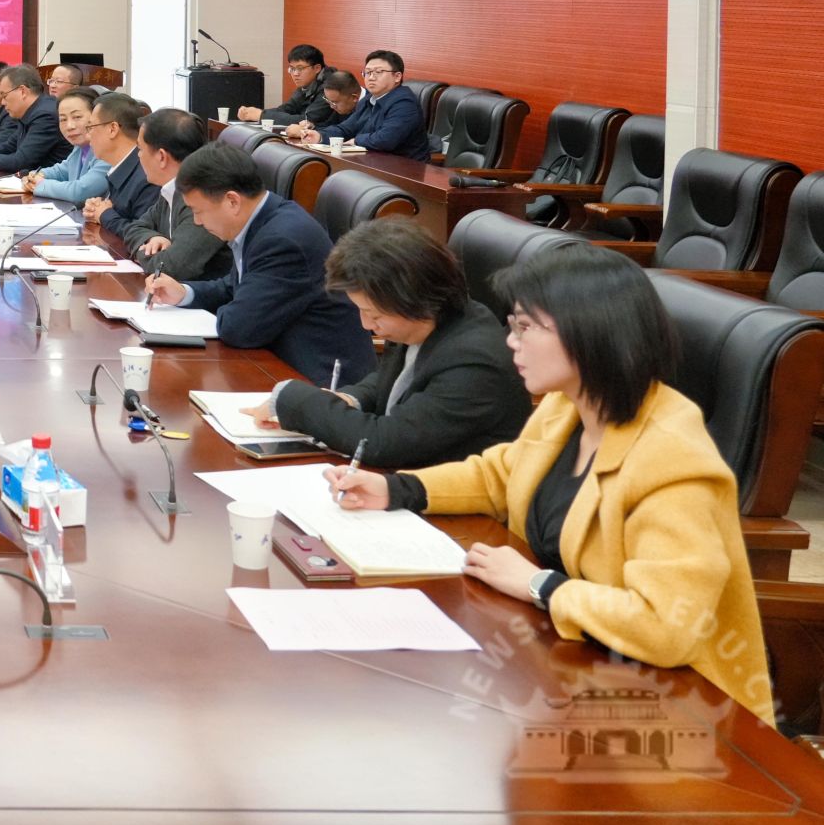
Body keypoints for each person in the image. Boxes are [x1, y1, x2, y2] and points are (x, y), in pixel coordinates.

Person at [326, 246, 775, 726]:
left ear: (589, 333)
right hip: (570, 663)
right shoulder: (569, 404)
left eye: (525, 327)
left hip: (678, 711)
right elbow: (501, 475)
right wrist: (396, 489)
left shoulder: (671, 459)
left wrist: (539, 585)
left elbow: (666, 626)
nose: (511, 342)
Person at [244, 218, 530, 466]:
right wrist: (349, 399)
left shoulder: (474, 363)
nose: (366, 325)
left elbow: (385, 443)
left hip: (455, 504)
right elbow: (390, 382)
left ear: (413, 299)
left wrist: (296, 400)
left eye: (374, 314)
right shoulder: (426, 319)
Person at [142, 143, 377, 381]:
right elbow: (236, 287)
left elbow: (239, 328)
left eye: (198, 211)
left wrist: (233, 310)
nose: (197, 221)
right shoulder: (263, 220)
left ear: (232, 201)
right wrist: (184, 293)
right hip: (277, 365)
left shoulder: (283, 240)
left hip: (319, 382)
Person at [119, 108, 231, 283]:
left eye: (140, 149)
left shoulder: (202, 198)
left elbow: (170, 268)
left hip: (204, 298)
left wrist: (144, 253)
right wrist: (152, 238)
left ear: (162, 157)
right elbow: (134, 228)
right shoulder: (171, 189)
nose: (138, 156)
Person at [290, 50, 429, 161]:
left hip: (405, 170)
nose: (371, 77)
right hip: (374, 162)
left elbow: (386, 139)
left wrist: (356, 140)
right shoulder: (368, 100)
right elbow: (345, 129)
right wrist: (320, 136)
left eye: (378, 72)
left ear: (397, 77)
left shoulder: (404, 103)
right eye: (367, 72)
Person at [79, 92, 161, 233]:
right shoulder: (123, 166)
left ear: (113, 129)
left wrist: (105, 215)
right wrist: (97, 210)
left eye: (91, 127)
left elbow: (143, 235)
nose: (88, 135)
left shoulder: (147, 175)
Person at [0, 64, 68, 176]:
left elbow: (21, 161)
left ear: (22, 91)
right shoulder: (30, 110)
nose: (3, 102)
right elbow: (9, 146)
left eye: (4, 96)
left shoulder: (45, 115)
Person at [23, 90, 110, 203]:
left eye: (77, 117)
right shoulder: (80, 147)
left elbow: (80, 192)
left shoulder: (108, 150)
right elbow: (62, 171)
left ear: (96, 117)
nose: (69, 126)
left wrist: (40, 184)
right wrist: (36, 175)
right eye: (63, 119)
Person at [238, 44, 334, 127]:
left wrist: (261, 116)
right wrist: (255, 113)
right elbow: (287, 108)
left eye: (300, 68)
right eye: (292, 68)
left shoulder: (330, 88)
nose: (295, 74)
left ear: (317, 68)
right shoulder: (308, 83)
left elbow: (307, 120)